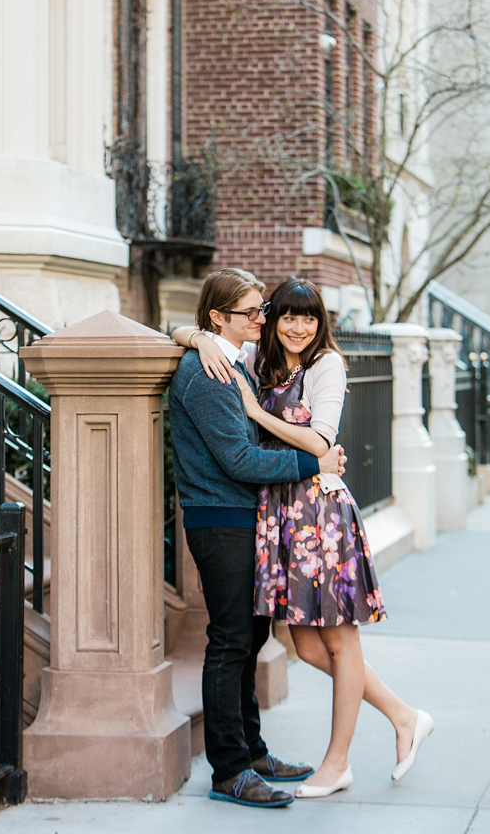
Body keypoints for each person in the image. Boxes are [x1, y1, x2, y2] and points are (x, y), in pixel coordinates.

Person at [182, 277, 434, 800]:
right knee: (291, 643)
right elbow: (239, 454)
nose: (282, 323)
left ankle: (333, 761)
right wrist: (195, 336)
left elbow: (322, 438)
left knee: (325, 642)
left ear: (321, 324)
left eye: (307, 317)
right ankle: (402, 715)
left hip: (316, 512)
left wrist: (263, 418)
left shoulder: (324, 365)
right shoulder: (245, 361)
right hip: (271, 513)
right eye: (272, 314)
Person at [168, 268, 347, 809]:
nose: (261, 320)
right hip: (220, 517)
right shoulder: (208, 372)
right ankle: (230, 770)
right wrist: (312, 462)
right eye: (251, 312)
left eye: (260, 310)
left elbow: (179, 329)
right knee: (230, 642)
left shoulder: (232, 360)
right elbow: (237, 458)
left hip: (247, 516)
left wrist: (194, 331)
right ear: (219, 316)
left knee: (251, 639)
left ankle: (252, 750)